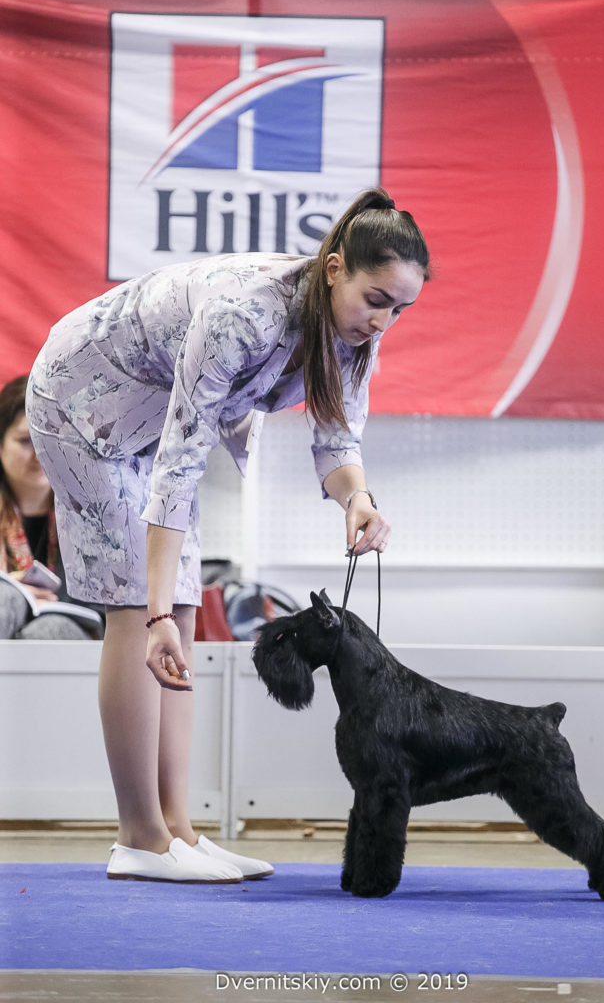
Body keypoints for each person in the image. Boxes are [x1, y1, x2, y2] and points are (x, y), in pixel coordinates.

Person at [26, 187, 430, 883]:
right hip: (81, 404)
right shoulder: (245, 312)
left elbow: (337, 443)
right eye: (375, 299)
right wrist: (152, 612)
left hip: (147, 422)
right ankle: (140, 838)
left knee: (184, 607)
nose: (383, 320)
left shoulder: (354, 340)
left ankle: (178, 829)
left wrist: (357, 501)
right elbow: (181, 465)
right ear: (334, 268)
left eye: (400, 307)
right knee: (137, 608)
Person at [0, 374, 101, 640]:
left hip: (67, 628)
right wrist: (16, 592)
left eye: (48, 439)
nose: (39, 453)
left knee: (49, 630)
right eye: (25, 441)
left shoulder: (89, 511)